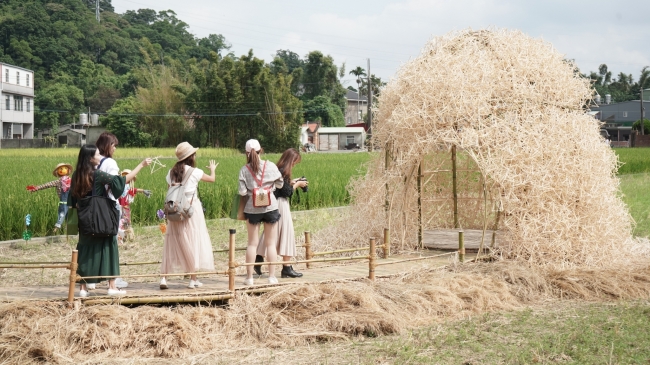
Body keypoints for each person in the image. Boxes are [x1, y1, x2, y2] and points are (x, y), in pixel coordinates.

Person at [67, 144, 150, 297]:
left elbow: (71, 201)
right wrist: (141, 165)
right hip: (101, 218)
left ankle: (83, 289)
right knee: (110, 246)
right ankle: (112, 287)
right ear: (91, 158)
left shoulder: (76, 176)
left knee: (84, 250)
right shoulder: (98, 175)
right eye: (98, 154)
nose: (100, 157)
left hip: (84, 220)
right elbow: (121, 181)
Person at [95, 132, 151, 290]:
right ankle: (114, 279)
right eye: (113, 145)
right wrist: (141, 165)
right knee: (111, 243)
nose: (115, 148)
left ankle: (91, 279)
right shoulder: (110, 163)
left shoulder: (93, 162)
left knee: (96, 242)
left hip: (94, 207)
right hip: (109, 206)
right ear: (108, 145)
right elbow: (119, 184)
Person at [160, 142, 217, 289]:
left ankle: (164, 278)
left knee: (172, 241)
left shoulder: (171, 172)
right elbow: (212, 179)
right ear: (190, 156)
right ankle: (193, 279)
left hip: (175, 210)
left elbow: (170, 191)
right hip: (190, 210)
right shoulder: (195, 172)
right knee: (192, 241)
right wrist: (212, 170)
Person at [254, 148, 307, 278]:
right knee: (286, 233)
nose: (295, 164)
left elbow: (281, 187)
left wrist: (292, 182)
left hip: (273, 204)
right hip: (280, 205)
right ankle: (286, 267)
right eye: (295, 162)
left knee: (271, 233)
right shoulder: (283, 171)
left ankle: (258, 259)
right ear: (291, 160)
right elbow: (287, 192)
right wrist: (298, 184)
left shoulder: (277, 169)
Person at [238, 139, 283, 285]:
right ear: (260, 150)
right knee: (271, 244)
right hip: (270, 207)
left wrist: (253, 190)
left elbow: (242, 191)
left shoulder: (244, 170)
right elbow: (280, 183)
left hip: (252, 208)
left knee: (252, 244)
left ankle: (249, 278)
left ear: (246, 153)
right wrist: (269, 188)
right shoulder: (270, 165)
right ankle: (271, 277)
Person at [26, 163, 73, 233]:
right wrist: (36, 188)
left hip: (72, 202)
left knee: (72, 219)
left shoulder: (72, 181)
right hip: (63, 202)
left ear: (68, 170)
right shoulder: (58, 182)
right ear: (58, 172)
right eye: (61, 169)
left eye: (65, 168)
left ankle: (71, 236)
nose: (63, 170)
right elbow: (47, 185)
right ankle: (56, 229)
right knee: (61, 215)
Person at [117, 169, 152, 243]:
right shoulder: (118, 185)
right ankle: (120, 238)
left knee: (126, 222)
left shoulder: (127, 187)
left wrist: (143, 191)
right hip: (118, 207)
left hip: (125, 207)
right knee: (119, 222)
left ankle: (127, 237)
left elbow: (133, 190)